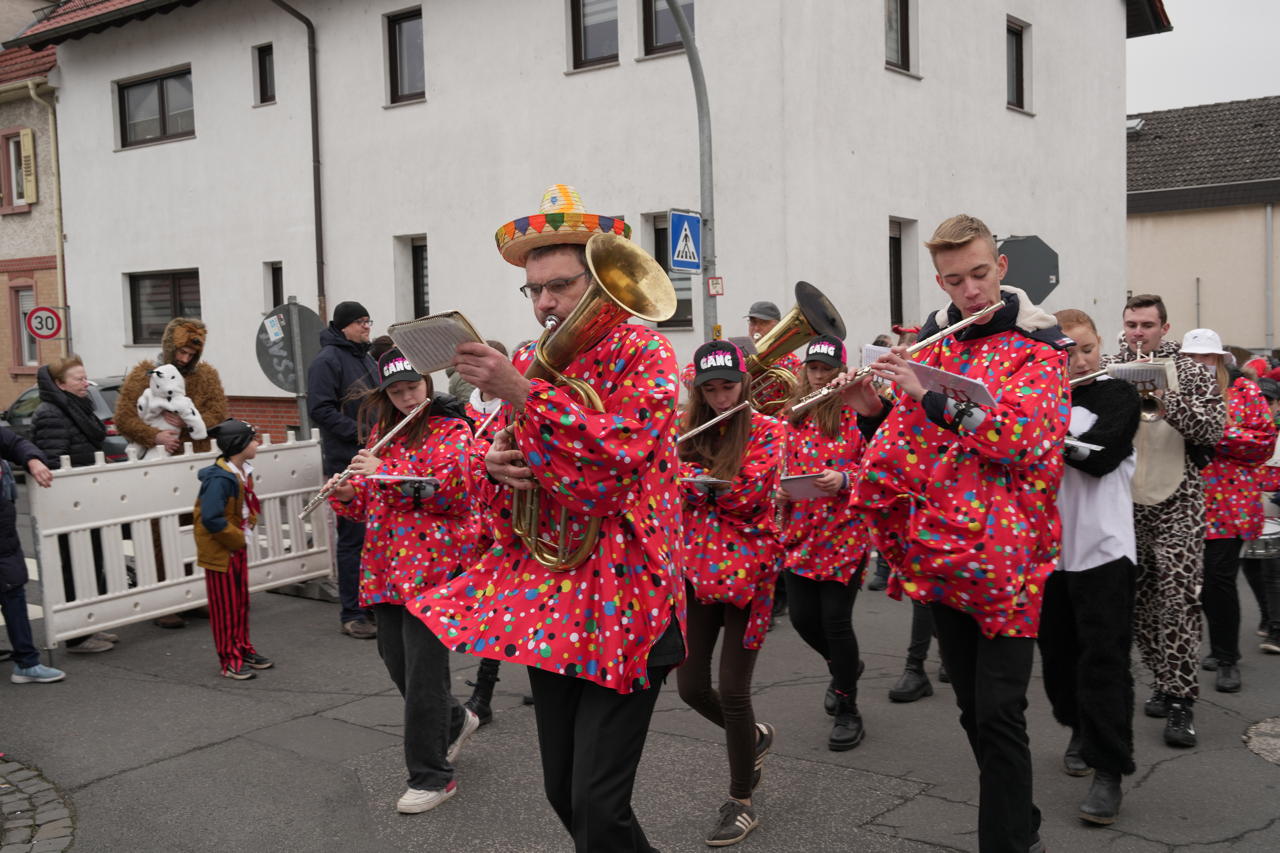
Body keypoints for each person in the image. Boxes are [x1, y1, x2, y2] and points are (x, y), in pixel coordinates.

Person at [408, 185, 683, 853]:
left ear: (603, 282)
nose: (543, 303)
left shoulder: (647, 354)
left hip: (630, 603)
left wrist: (524, 396)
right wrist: (495, 462)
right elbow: (495, 462)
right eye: (533, 290)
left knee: (597, 804)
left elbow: (616, 466)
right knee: (565, 793)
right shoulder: (528, 358)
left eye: (559, 286)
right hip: (552, 602)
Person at [840, 214, 1070, 853]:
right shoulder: (935, 346)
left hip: (1009, 564)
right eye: (954, 280)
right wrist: (873, 415)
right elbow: (904, 451)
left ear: (1000, 267)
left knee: (1000, 713)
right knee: (974, 710)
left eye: (978, 274)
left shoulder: (1039, 347)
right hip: (945, 554)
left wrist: (931, 398)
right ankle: (1020, 818)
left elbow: (1027, 439)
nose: (969, 291)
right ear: (940, 281)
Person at [325, 348, 479, 814]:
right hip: (387, 570)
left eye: (413, 387)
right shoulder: (381, 434)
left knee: (424, 675)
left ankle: (432, 776)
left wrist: (384, 475)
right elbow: (371, 503)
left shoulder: (451, 429)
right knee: (396, 663)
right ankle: (455, 721)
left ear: (428, 384)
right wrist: (351, 493)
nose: (408, 397)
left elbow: (452, 492)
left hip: (434, 573)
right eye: (397, 391)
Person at [1036, 309, 1141, 826]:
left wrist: (1038, 433)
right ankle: (1077, 724)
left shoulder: (1118, 396)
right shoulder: (1040, 400)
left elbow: (1099, 457)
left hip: (1104, 550)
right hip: (1050, 554)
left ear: (1100, 346)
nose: (1077, 360)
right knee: (1057, 659)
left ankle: (1108, 771)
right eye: (1065, 351)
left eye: (1085, 349)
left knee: (1104, 663)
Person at [1107, 295, 1226, 747]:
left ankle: (1181, 702)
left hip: (1179, 499)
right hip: (1123, 500)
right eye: (1132, 324)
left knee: (1179, 600)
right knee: (1138, 604)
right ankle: (1162, 678)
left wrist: (1165, 400)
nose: (1139, 333)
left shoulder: (1193, 371)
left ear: (1164, 327)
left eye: (1147, 325)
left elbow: (1212, 429)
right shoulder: (1112, 367)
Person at [677, 339, 782, 846]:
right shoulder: (690, 432)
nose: (721, 397)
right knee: (690, 687)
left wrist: (706, 483)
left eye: (729, 386)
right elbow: (662, 488)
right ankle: (754, 738)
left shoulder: (768, 430)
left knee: (735, 692)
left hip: (749, 580)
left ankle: (741, 801)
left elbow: (750, 494)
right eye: (711, 389)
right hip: (698, 576)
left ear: (745, 384)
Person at [778, 335, 870, 750]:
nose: (818, 377)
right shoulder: (791, 414)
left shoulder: (852, 412)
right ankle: (844, 667)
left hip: (843, 535)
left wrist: (845, 478)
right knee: (802, 620)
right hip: (799, 535)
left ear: (839, 371)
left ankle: (849, 708)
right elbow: (774, 464)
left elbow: (875, 465)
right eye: (813, 369)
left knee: (835, 622)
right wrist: (775, 489)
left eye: (827, 370)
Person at [115, 317, 228, 629]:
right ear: (168, 347)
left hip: (196, 466)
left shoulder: (206, 376)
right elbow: (124, 419)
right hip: (158, 469)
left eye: (191, 354)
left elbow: (219, 412)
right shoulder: (144, 375)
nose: (185, 359)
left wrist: (191, 421)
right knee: (158, 535)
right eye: (180, 352)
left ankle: (194, 596)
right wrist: (155, 436)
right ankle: (163, 601)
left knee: (195, 529)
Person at [1181, 329, 1276, 694]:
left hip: (1229, 503)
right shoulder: (1180, 391)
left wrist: (1213, 433)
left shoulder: (1244, 390)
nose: (1199, 364)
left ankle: (1226, 659)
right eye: (1192, 357)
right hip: (1185, 499)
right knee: (1190, 584)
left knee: (1220, 581)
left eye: (1205, 357)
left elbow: (1263, 442)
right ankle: (1202, 654)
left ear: (1219, 358)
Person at [32, 355, 116, 653]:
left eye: (85, 377)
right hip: (71, 502)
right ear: (60, 384)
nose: (85, 383)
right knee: (75, 566)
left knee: (93, 562)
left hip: (87, 497)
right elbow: (53, 461)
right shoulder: (51, 413)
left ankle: (89, 624)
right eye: (78, 379)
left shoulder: (79, 407)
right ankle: (77, 636)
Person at [307, 300, 379, 640]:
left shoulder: (366, 357)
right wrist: (360, 433)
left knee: (373, 537)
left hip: (373, 456)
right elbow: (319, 409)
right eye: (361, 322)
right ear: (344, 326)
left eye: (368, 321)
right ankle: (352, 612)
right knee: (352, 538)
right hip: (346, 461)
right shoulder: (327, 361)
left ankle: (371, 602)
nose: (367, 327)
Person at [193, 419, 270, 680]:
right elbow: (212, 518)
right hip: (223, 551)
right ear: (239, 444)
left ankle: (242, 648)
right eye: (252, 439)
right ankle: (229, 659)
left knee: (240, 603)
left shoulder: (240, 471)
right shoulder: (219, 479)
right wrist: (237, 537)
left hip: (236, 546)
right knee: (225, 608)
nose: (257, 443)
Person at [1, 425, 62, 684]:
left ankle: (27, 662)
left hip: (3, 536)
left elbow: (16, 443)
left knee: (14, 592)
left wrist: (33, 460)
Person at [1242, 377, 1280, 653]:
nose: (1265, 405)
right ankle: (1267, 614)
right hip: (1253, 504)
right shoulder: (1247, 428)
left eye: (1269, 401)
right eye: (1261, 400)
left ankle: (1276, 630)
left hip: (1277, 507)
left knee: (1272, 569)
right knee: (1250, 565)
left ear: (1277, 404)